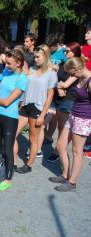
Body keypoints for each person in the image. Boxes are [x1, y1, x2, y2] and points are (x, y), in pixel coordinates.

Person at [0, 49, 28, 191]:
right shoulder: (5, 72)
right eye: (6, 63)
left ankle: (8, 178)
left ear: (18, 63)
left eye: (9, 63)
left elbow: (7, 102)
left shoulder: (22, 79)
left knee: (7, 149)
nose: (6, 66)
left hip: (10, 117)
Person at [13, 45, 57, 174]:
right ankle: (13, 161)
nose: (35, 59)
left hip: (38, 108)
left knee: (33, 139)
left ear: (46, 56)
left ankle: (29, 164)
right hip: (26, 105)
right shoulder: (31, 69)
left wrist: (43, 115)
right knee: (13, 133)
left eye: (38, 57)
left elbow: (50, 96)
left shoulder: (51, 73)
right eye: (35, 57)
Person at [51, 57, 91, 191]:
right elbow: (63, 84)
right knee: (61, 145)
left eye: (72, 73)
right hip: (73, 115)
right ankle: (64, 174)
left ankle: (72, 182)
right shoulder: (78, 76)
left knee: (76, 151)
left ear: (79, 69)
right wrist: (62, 88)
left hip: (84, 119)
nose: (71, 76)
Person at [47, 42, 81, 163]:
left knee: (62, 127)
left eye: (67, 51)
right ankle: (47, 140)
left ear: (74, 52)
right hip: (56, 96)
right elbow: (54, 79)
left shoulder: (78, 66)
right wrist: (59, 87)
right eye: (64, 51)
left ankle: (58, 150)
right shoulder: (62, 64)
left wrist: (61, 86)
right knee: (43, 120)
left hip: (68, 99)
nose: (64, 53)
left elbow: (67, 83)